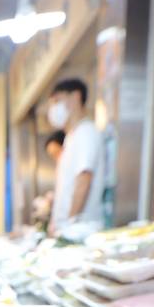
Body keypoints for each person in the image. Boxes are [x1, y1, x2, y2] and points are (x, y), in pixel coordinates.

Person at [47, 78, 104, 235]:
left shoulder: (86, 132)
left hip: (79, 231)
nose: (53, 109)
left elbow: (84, 179)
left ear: (76, 96)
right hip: (68, 230)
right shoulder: (71, 137)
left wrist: (69, 226)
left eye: (57, 100)